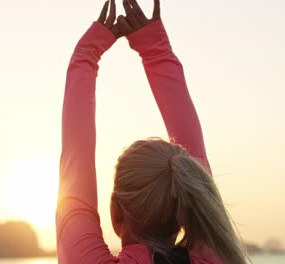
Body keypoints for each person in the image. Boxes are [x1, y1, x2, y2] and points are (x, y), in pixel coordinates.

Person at [56, 0, 249, 263]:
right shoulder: (213, 258)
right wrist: (155, 50)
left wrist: (86, 54)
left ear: (115, 213)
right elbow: (194, 166)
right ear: (185, 211)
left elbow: (74, 169)